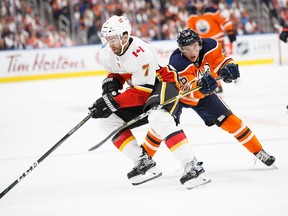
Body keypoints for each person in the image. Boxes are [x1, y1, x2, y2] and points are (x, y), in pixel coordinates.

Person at [88, 15, 210, 189]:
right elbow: (118, 72)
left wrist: (112, 102)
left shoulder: (140, 51)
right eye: (107, 39)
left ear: (124, 36)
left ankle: (194, 166)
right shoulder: (106, 53)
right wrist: (112, 83)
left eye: (113, 39)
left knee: (157, 117)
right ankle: (143, 161)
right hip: (141, 89)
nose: (110, 43)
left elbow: (142, 94)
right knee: (105, 120)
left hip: (164, 84)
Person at [142, 28, 276, 168]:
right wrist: (201, 85)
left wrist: (228, 67)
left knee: (232, 121)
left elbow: (221, 61)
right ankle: (144, 159)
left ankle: (259, 151)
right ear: (181, 49)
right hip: (178, 96)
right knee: (162, 124)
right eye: (187, 49)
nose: (192, 52)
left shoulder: (211, 46)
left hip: (204, 95)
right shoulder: (177, 62)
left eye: (194, 47)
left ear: (199, 43)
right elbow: (190, 90)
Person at [187, 0, 237, 93]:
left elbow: (225, 20)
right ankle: (217, 85)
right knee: (206, 67)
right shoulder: (192, 15)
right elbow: (190, 30)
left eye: (200, 2)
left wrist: (230, 31)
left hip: (217, 41)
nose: (199, 4)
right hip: (203, 44)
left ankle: (229, 75)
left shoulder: (212, 10)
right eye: (196, 2)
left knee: (219, 62)